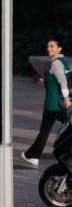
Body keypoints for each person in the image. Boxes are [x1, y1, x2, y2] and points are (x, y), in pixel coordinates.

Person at [25, 38, 70, 166]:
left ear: (59, 49)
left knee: (44, 131)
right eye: (48, 46)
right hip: (60, 103)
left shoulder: (56, 63)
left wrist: (66, 99)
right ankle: (32, 155)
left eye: (52, 46)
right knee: (67, 126)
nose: (48, 49)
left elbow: (62, 81)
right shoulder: (63, 62)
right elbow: (61, 78)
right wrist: (46, 79)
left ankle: (33, 156)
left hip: (53, 104)